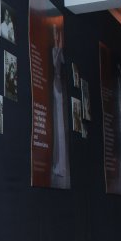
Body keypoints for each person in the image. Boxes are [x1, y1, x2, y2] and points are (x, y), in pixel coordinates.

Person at [51, 24, 67, 180]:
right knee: (58, 128)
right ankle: (58, 165)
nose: (56, 37)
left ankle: (60, 165)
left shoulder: (58, 53)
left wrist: (59, 33)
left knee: (60, 129)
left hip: (58, 87)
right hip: (56, 87)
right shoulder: (55, 52)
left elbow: (60, 46)